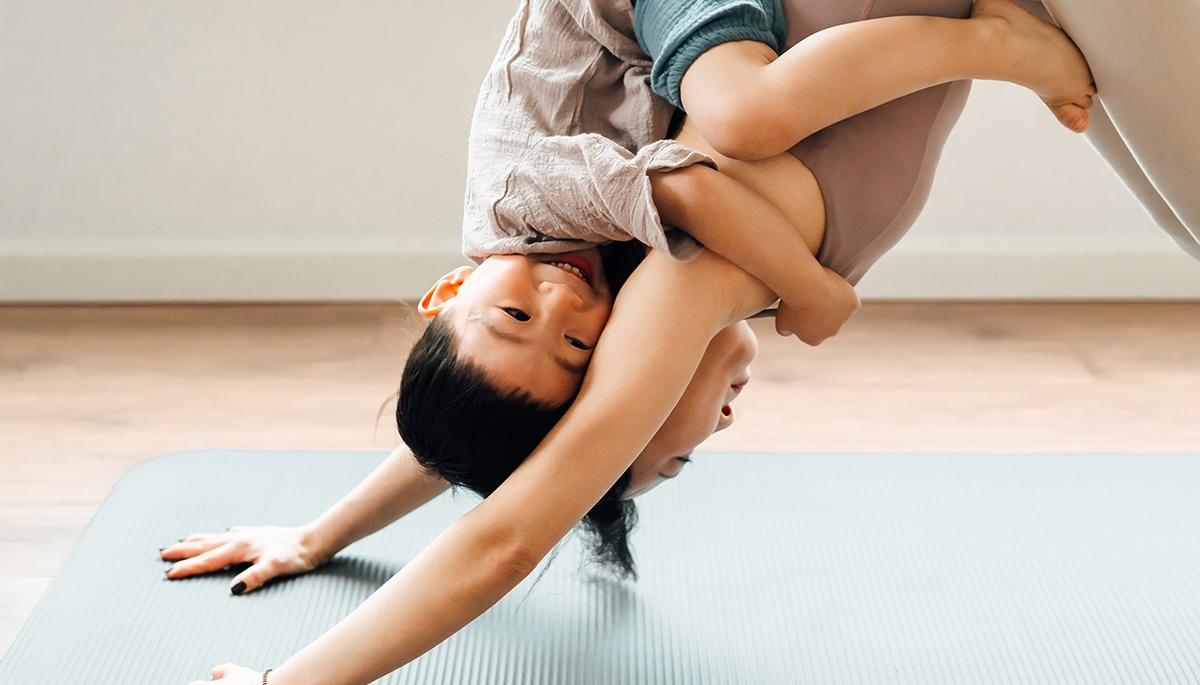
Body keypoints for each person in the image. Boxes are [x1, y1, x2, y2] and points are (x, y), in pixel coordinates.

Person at [167, 0, 1102, 681]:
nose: (721, 424)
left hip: (646, 20)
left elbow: (508, 529)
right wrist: (315, 536)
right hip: (713, 40)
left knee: (741, 115)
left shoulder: (665, 271)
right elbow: (485, 418)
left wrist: (289, 681)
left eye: (673, 449)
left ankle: (1001, 43)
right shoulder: (605, 281)